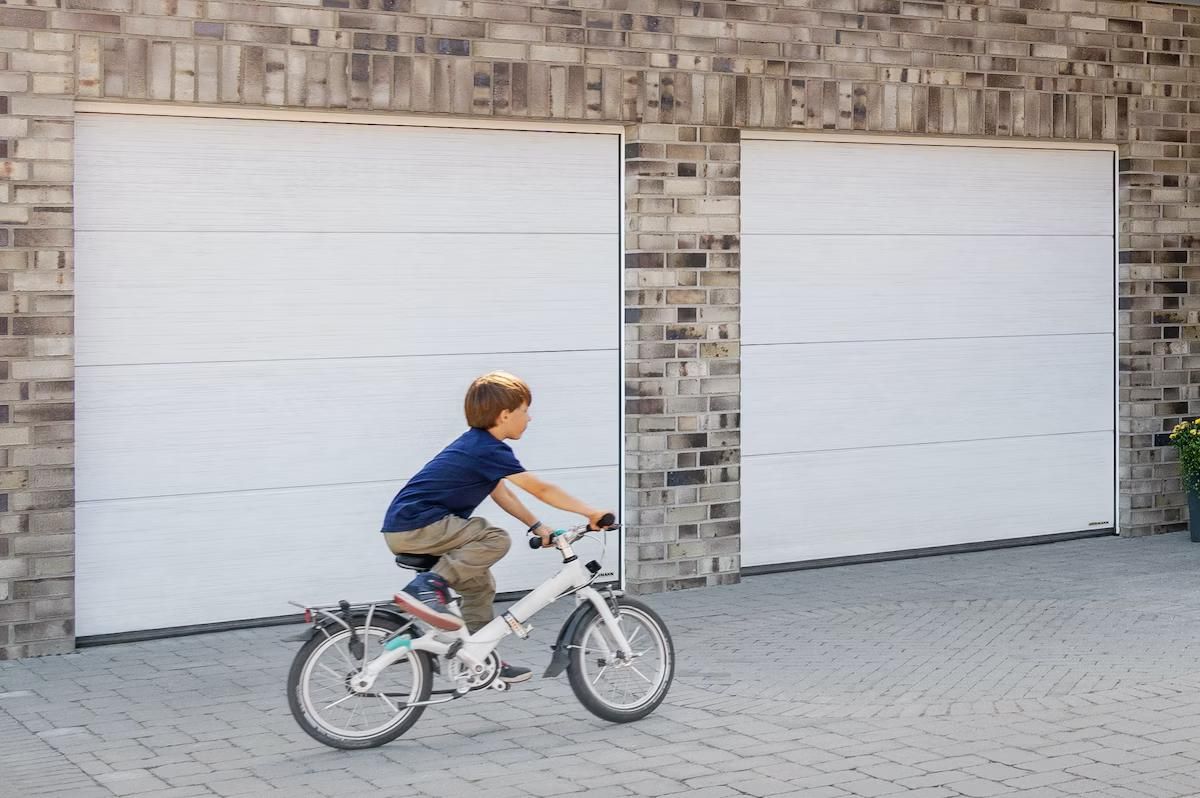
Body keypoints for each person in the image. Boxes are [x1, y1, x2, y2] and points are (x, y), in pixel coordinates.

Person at [382, 371, 613, 684]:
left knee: (480, 585)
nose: (529, 418)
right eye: (524, 411)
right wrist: (591, 512)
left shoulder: (478, 448)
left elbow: (500, 491)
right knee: (494, 538)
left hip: (409, 526)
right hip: (418, 524)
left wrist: (536, 525)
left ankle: (478, 656)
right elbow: (542, 489)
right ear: (505, 415)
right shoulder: (487, 448)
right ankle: (426, 587)